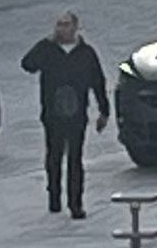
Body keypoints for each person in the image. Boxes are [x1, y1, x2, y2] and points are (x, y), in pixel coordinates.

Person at [22, 15, 107, 220]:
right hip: (52, 113)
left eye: (66, 24)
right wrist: (44, 44)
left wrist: (104, 111)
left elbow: (98, 82)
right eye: (58, 24)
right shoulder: (48, 50)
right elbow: (27, 64)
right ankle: (54, 195)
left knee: (75, 159)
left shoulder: (86, 53)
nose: (62, 29)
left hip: (77, 114)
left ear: (76, 27)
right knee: (54, 156)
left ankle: (75, 203)